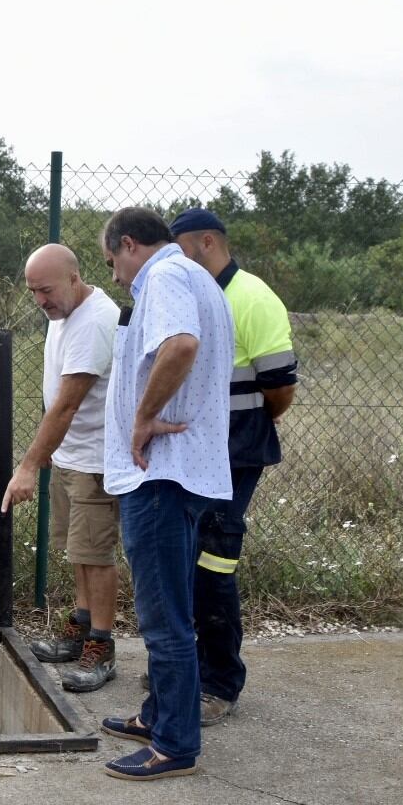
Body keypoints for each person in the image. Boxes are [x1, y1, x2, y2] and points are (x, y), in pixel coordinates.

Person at [97, 207, 233, 781]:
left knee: (162, 616)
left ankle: (175, 744)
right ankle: (159, 717)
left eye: (112, 264)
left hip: (161, 473)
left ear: (130, 245)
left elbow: (179, 345)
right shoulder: (196, 277)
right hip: (180, 472)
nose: (117, 278)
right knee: (169, 602)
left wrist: (144, 416)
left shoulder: (166, 277)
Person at [171, 207, 297, 725]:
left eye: (179, 248)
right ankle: (192, 668)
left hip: (237, 453)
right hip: (195, 451)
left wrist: (238, 425)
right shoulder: (192, 294)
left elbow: (280, 389)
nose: (173, 261)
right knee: (184, 558)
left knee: (215, 561)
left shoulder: (252, 298)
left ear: (206, 243)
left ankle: (220, 682)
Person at [2, 243, 122, 693]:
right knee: (78, 553)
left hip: (95, 460)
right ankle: (81, 626)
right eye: (33, 292)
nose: (40, 300)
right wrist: (51, 452)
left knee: (95, 555)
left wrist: (29, 465)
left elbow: (68, 404)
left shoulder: (94, 321)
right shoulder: (63, 314)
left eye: (46, 290)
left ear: (75, 278)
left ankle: (102, 648)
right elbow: (61, 401)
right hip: (71, 454)